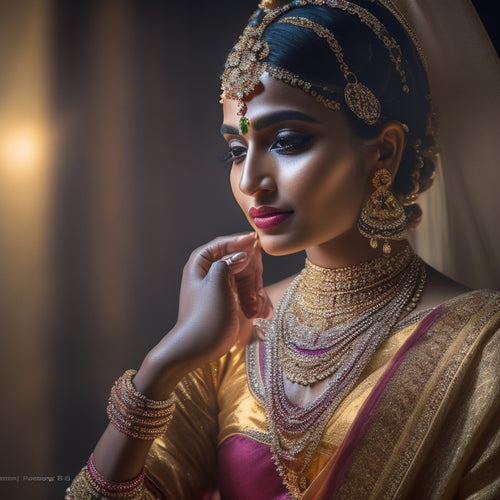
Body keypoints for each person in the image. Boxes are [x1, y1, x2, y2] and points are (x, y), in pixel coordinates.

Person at [66, 0, 500, 498]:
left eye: (288, 141)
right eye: (236, 150)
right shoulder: (230, 334)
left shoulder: (483, 349)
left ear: (385, 150)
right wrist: (164, 364)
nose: (250, 180)